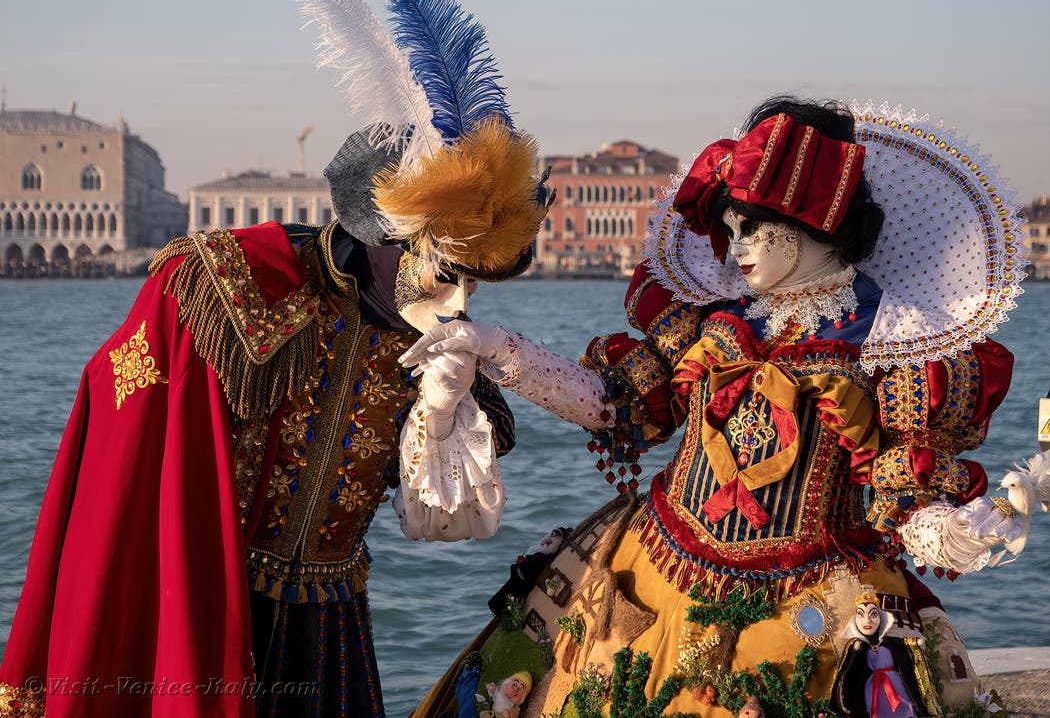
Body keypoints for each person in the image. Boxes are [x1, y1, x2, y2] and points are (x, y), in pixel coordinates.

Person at [0, 0, 551, 718]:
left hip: (332, 630)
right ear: (394, 231)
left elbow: (441, 516)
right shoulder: (236, 285)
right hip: (217, 609)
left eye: (475, 282)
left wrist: (444, 404)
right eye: (449, 271)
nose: (460, 301)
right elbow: (127, 424)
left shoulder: (439, 347)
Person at [405, 96, 1032, 716]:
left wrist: (971, 528)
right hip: (652, 563)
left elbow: (905, 498)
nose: (738, 250)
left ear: (810, 221)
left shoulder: (889, 345)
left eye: (752, 230)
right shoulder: (716, 323)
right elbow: (612, 406)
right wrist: (495, 347)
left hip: (812, 600)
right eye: (731, 231)